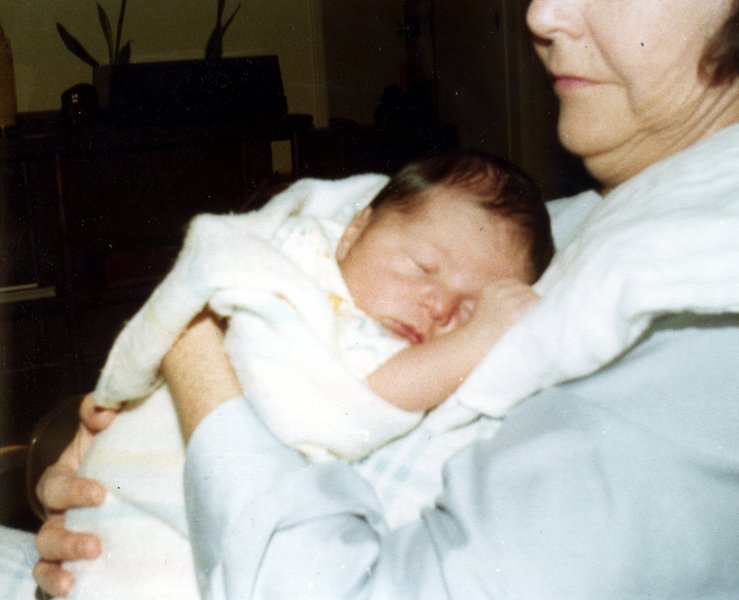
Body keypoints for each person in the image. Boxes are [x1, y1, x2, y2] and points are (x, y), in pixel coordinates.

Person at [24, 0, 739, 597]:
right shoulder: (569, 224)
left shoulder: (696, 307)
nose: (540, 14)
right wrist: (84, 460)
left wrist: (190, 352)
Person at [0, 150, 551, 599]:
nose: (437, 306)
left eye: (470, 309)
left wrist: (476, 338)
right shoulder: (296, 278)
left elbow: (344, 413)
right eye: (421, 266)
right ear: (352, 231)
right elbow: (343, 409)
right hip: (123, 519)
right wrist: (474, 336)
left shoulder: (383, 335)